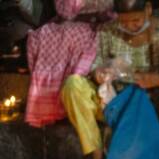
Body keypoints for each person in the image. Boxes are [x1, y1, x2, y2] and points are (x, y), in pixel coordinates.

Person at [60, 0, 159, 159]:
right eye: (123, 22)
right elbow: (95, 65)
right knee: (73, 85)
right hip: (116, 104)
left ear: (148, 9)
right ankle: (96, 156)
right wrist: (99, 73)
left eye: (135, 20)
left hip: (155, 104)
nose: (130, 26)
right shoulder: (108, 30)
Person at [25, 0, 113, 129]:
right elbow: (66, 12)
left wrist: (101, 17)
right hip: (72, 23)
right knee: (45, 36)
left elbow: (113, 10)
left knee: (85, 38)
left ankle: (80, 103)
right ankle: (56, 108)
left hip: (101, 25)